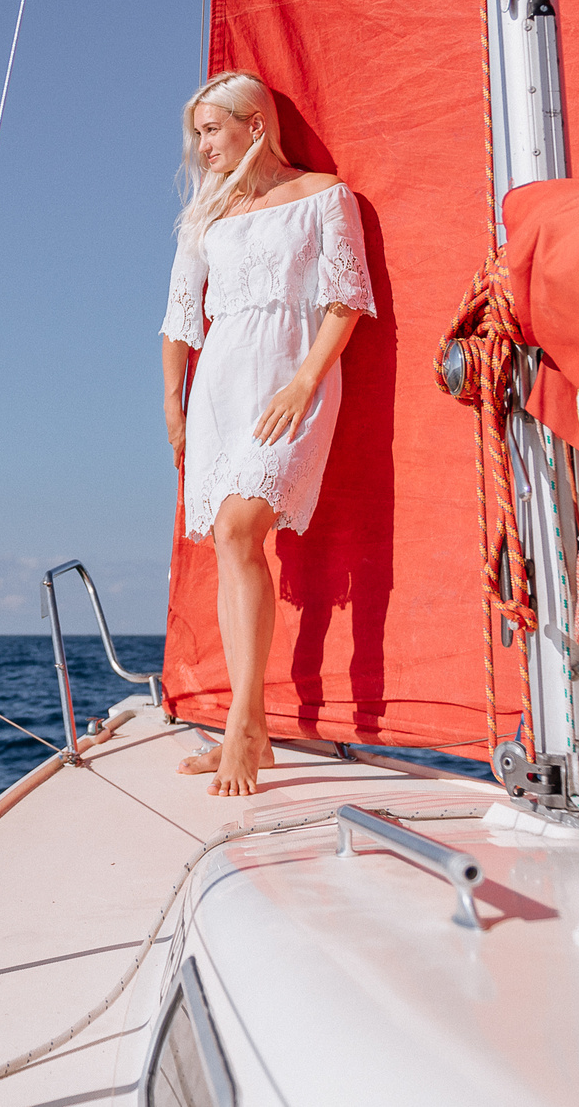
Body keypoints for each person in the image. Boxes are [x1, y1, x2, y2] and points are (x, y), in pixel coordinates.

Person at [159, 71, 375, 796]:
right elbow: (180, 317)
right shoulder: (207, 216)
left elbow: (346, 299)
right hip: (220, 389)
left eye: (211, 129)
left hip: (291, 380)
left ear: (254, 124)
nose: (202, 146)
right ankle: (248, 727)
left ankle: (244, 727)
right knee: (231, 546)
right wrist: (173, 407)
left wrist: (305, 382)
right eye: (197, 133)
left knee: (238, 530)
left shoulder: (324, 196)